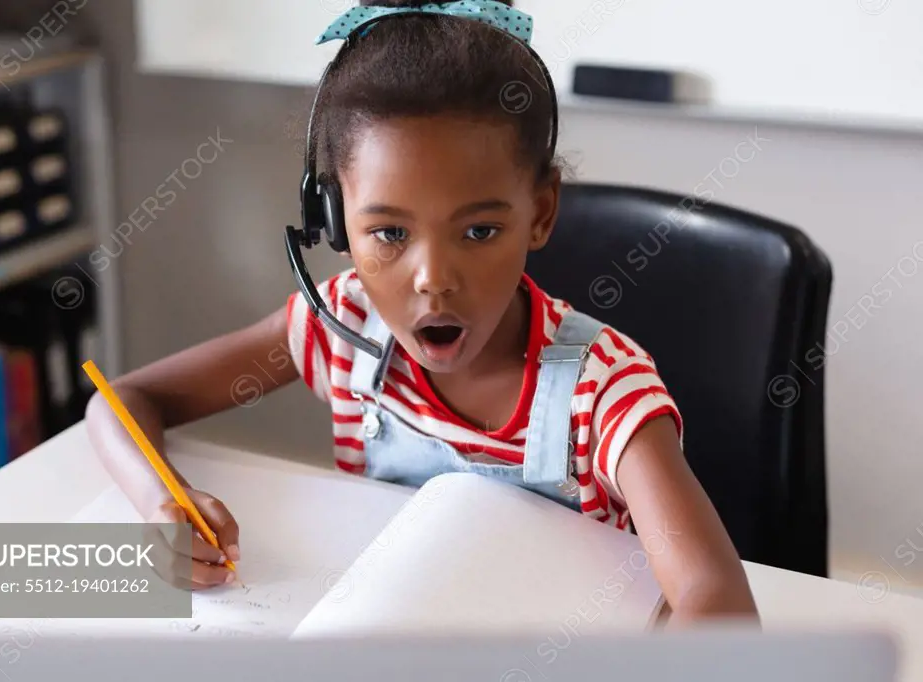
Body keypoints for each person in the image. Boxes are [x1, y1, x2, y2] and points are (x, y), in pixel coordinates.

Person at [85, 0, 759, 624]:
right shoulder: (341, 328)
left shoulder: (600, 390)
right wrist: (160, 504)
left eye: (478, 232)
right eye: (390, 234)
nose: (434, 280)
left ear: (541, 211)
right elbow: (124, 400)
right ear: (335, 223)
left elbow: (715, 599)